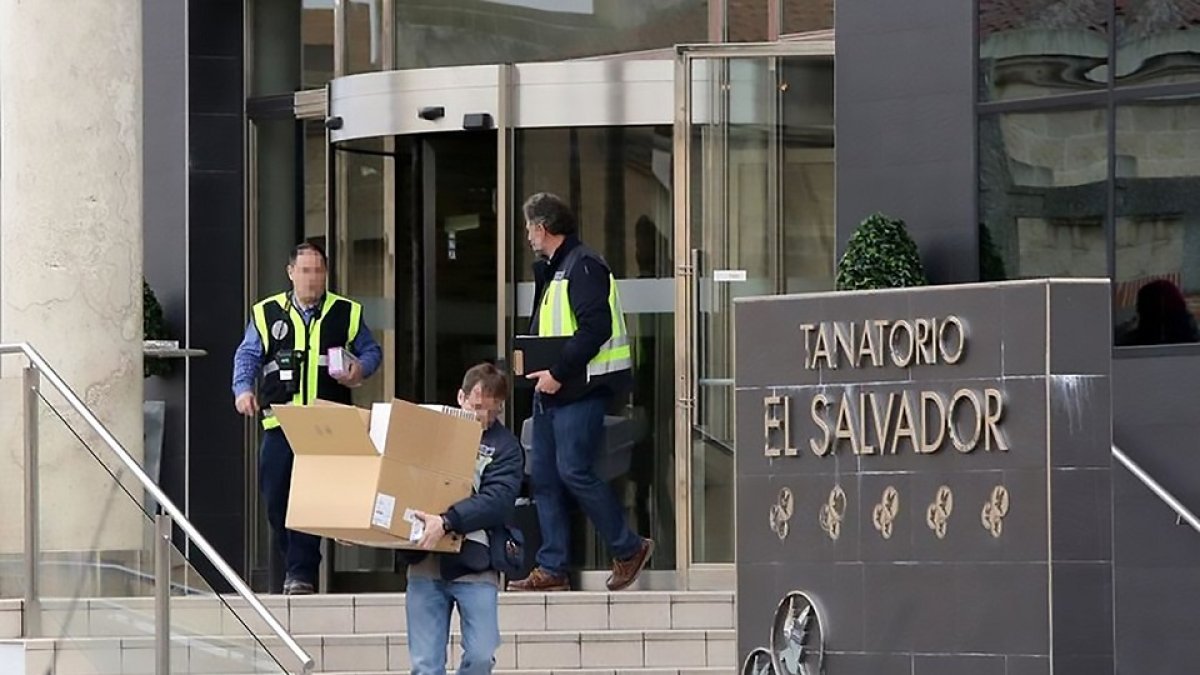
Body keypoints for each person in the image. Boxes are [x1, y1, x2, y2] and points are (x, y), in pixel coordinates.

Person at [508, 192, 654, 593]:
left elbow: (595, 329)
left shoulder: (583, 266)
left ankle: (628, 548)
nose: (527, 236)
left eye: (528, 228)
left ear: (543, 227)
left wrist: (557, 371)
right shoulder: (557, 268)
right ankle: (552, 566)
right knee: (545, 479)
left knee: (574, 470)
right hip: (553, 391)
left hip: (578, 390)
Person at [231, 242, 382, 595]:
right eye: (305, 271)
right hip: (280, 422)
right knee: (277, 500)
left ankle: (301, 575)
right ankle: (290, 573)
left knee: (309, 500)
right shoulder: (267, 312)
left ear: (325, 274)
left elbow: (371, 351)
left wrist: (360, 368)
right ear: (291, 273)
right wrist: (242, 390)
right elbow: (248, 354)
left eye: (318, 271)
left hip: (324, 425)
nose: (312, 279)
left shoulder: (345, 312)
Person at [400, 363, 524, 675]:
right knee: (424, 664)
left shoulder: (505, 447)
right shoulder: (429, 433)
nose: (484, 417)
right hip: (424, 560)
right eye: (478, 407)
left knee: (482, 655)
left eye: (493, 412)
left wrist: (447, 520)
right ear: (461, 397)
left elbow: (497, 501)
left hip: (476, 561)